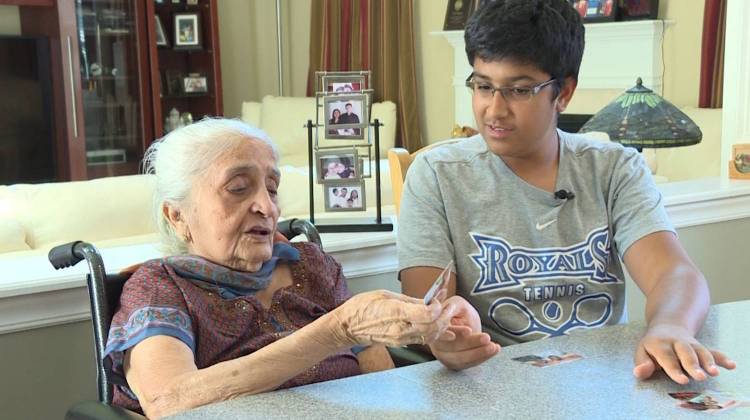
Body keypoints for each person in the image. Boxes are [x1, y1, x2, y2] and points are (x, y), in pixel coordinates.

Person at [397, 0, 736, 384]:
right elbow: (425, 308)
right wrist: (445, 335)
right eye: (483, 85)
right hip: (489, 385)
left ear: (564, 93)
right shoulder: (437, 175)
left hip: (605, 383)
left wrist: (672, 326)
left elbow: (674, 274)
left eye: (519, 90)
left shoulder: (613, 168)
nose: (494, 110)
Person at [104, 119, 455, 418]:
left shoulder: (312, 265)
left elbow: (380, 380)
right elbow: (168, 400)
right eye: (238, 188)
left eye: (272, 189)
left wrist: (445, 338)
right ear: (177, 215)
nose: (265, 206)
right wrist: (336, 330)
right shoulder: (160, 286)